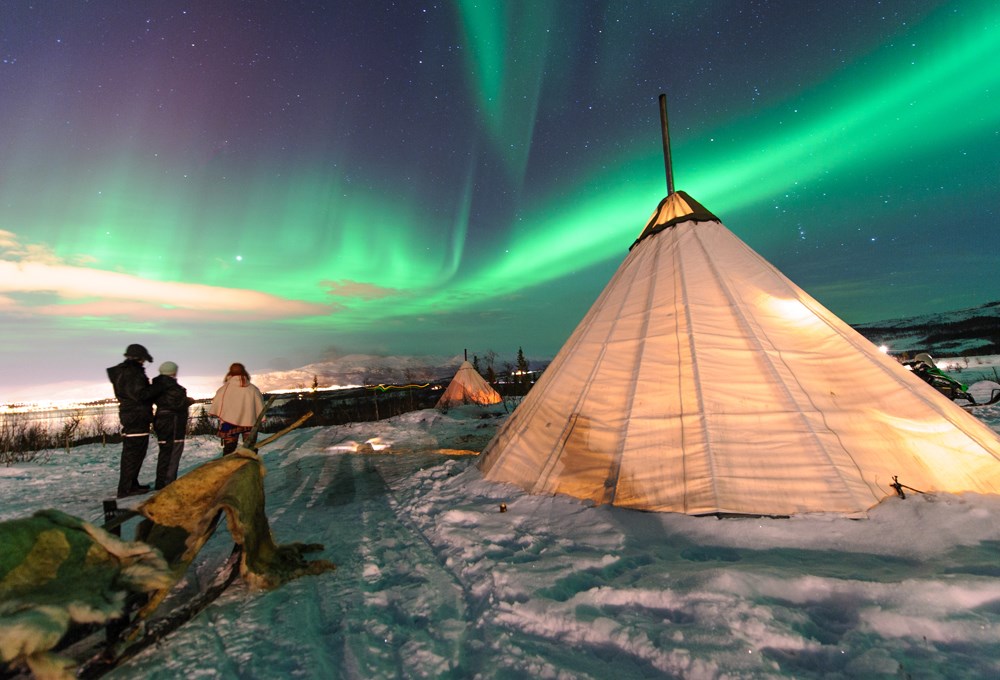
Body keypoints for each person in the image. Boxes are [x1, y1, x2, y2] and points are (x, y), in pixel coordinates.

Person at [107, 343, 154, 497]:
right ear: (139, 358)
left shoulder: (124, 372)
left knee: (134, 453)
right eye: (143, 360)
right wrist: (156, 388)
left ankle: (131, 484)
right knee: (134, 453)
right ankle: (127, 487)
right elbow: (140, 394)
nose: (144, 363)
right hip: (137, 416)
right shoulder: (133, 373)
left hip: (132, 415)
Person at [150, 361, 195, 489]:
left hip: (162, 422)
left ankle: (162, 482)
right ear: (173, 372)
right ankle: (166, 484)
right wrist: (188, 401)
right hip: (173, 423)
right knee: (173, 453)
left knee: (165, 453)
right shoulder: (171, 386)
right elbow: (175, 403)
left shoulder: (157, 385)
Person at [208, 362, 265, 454]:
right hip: (250, 423)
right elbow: (260, 406)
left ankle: (230, 467)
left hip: (229, 424)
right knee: (249, 450)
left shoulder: (223, 390)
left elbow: (217, 405)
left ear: (230, 374)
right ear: (244, 373)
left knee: (229, 451)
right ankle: (249, 466)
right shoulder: (253, 389)